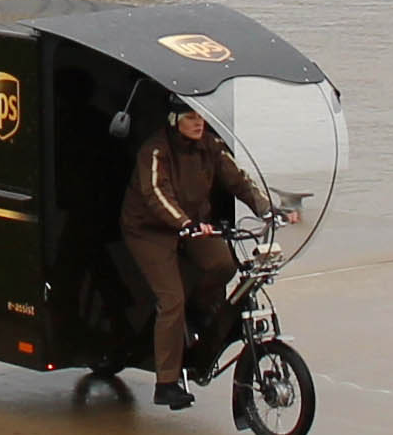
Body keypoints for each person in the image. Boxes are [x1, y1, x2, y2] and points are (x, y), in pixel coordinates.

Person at [120, 99, 282, 408]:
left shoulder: (211, 146)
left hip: (192, 222)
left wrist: (266, 208)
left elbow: (238, 180)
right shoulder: (155, 151)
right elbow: (155, 194)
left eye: (201, 117)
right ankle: (166, 382)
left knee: (223, 264)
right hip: (149, 229)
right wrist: (184, 223)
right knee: (171, 300)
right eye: (190, 118)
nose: (198, 123)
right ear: (174, 120)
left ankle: (197, 313)